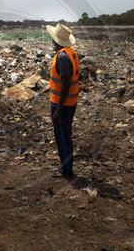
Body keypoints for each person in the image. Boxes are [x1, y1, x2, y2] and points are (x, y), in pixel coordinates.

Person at [46, 23, 80, 178]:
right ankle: (66, 166)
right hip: (69, 103)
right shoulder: (70, 52)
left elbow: (66, 83)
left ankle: (66, 170)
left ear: (56, 41)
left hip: (63, 105)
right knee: (65, 135)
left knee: (63, 136)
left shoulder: (62, 57)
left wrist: (58, 109)